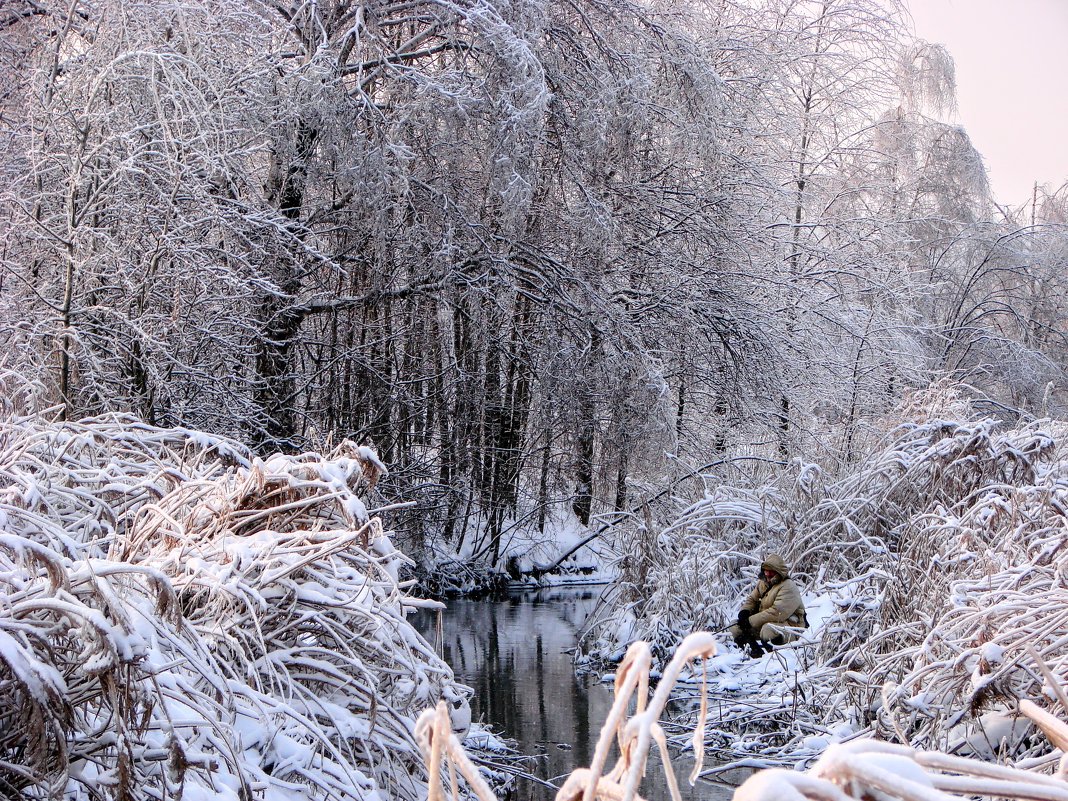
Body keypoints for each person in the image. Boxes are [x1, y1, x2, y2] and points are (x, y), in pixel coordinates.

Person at [730, 553, 807, 658]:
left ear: (778, 571)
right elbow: (752, 599)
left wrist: (750, 621)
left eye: (771, 571)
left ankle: (775, 657)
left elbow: (777, 613)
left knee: (768, 630)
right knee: (735, 626)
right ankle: (754, 652)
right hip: (766, 623)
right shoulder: (763, 583)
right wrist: (745, 612)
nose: (767, 574)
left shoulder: (788, 587)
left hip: (792, 627)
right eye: (766, 570)